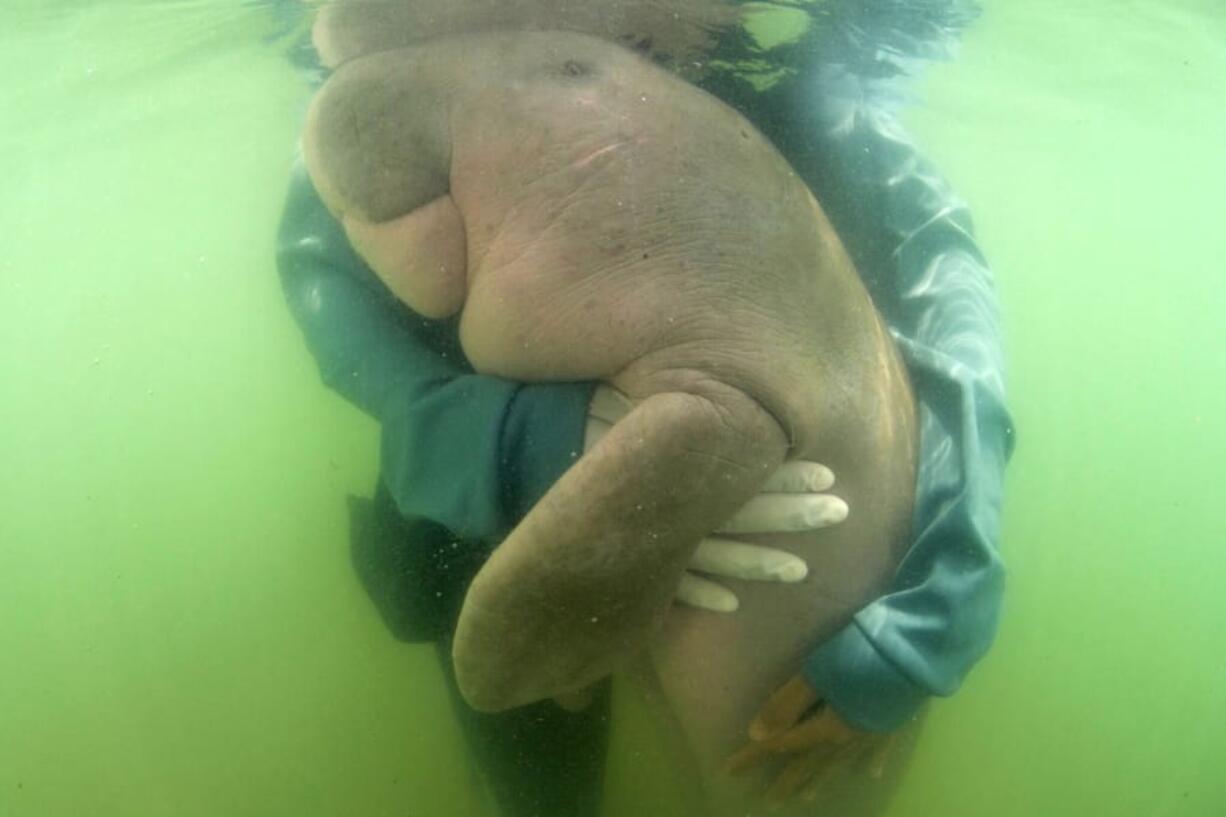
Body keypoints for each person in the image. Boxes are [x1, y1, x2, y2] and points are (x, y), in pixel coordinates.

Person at [275, 1, 1013, 813]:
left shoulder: (798, 96)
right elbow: (357, 353)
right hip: (477, 524)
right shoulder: (366, 112)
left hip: (787, 488)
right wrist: (535, 450)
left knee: (786, 768)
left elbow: (951, 298)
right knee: (543, 789)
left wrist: (930, 616)